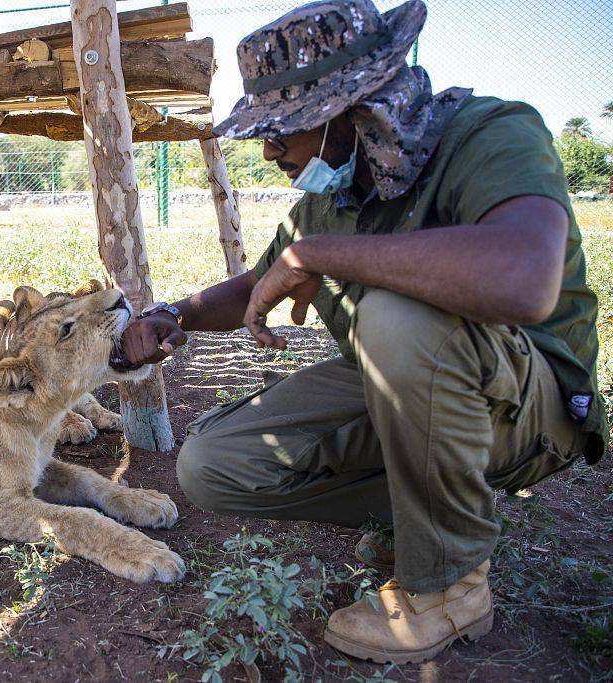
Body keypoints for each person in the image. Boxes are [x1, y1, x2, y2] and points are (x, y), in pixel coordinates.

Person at [121, 0, 607, 664]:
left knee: (393, 312)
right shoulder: (333, 197)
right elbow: (254, 286)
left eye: (284, 128)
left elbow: (525, 277)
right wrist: (172, 314)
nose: (269, 151)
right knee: (213, 465)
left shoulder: (490, 135)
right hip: (422, 399)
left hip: (530, 407)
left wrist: (323, 257)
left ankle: (447, 584)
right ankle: (426, 516)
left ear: (352, 109)